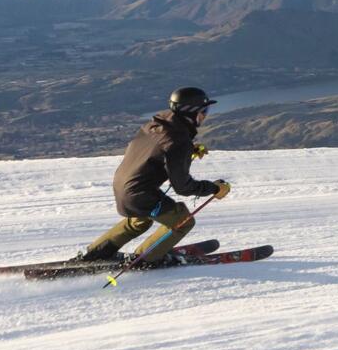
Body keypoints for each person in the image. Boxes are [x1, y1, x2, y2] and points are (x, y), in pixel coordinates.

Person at [76, 86, 232, 264]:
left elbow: (158, 148)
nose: (206, 115)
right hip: (141, 193)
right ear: (192, 112)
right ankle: (145, 259)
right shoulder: (179, 141)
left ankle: (95, 253)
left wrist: (188, 151)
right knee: (183, 221)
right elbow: (182, 186)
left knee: (138, 221)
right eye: (204, 110)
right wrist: (214, 188)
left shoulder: (156, 124)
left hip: (122, 186)